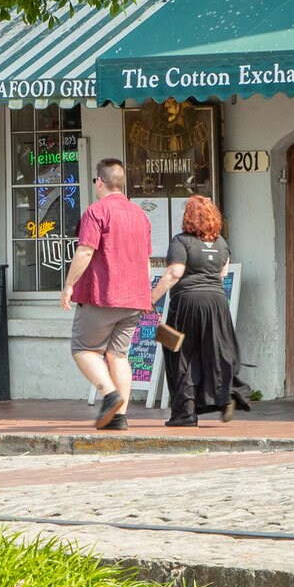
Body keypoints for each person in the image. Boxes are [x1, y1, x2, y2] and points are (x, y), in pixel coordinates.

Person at [60, 158, 153, 430]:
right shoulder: (140, 215)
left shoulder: (96, 212)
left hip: (103, 295)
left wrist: (69, 286)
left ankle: (109, 394)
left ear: (99, 182)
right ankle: (119, 416)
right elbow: (146, 259)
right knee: (118, 356)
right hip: (134, 298)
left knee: (83, 349)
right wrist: (145, 293)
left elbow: (86, 250)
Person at [148, 194, 253, 428]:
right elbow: (223, 273)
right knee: (216, 353)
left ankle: (185, 414)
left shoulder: (181, 241)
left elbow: (174, 273)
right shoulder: (221, 243)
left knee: (181, 355)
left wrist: (151, 298)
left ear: (188, 217)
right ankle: (226, 396)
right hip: (216, 302)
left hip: (187, 302)